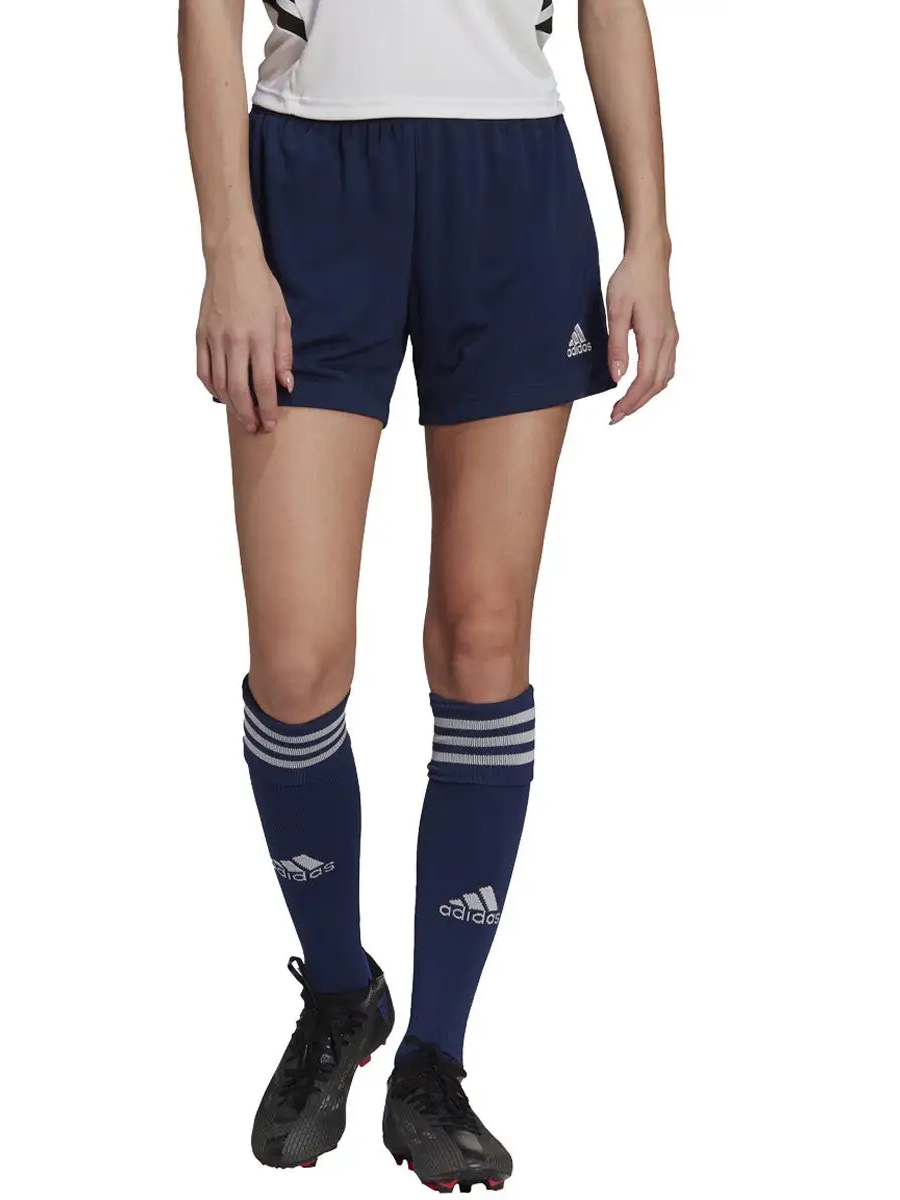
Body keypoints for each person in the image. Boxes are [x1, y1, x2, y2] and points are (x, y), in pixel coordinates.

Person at [179, 0, 677, 1190]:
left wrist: (651, 240)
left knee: (483, 640)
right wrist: (229, 247)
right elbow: (206, 12)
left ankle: (435, 1061)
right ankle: (340, 992)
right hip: (312, 174)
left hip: (509, 184)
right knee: (296, 661)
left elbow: (611, 8)